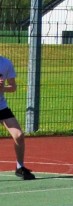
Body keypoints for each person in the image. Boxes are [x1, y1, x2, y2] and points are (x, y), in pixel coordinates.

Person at [0, 51, 31, 179]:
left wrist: (2, 88)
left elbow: (13, 87)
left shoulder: (6, 63)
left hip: (1, 107)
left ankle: (20, 167)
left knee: (19, 136)